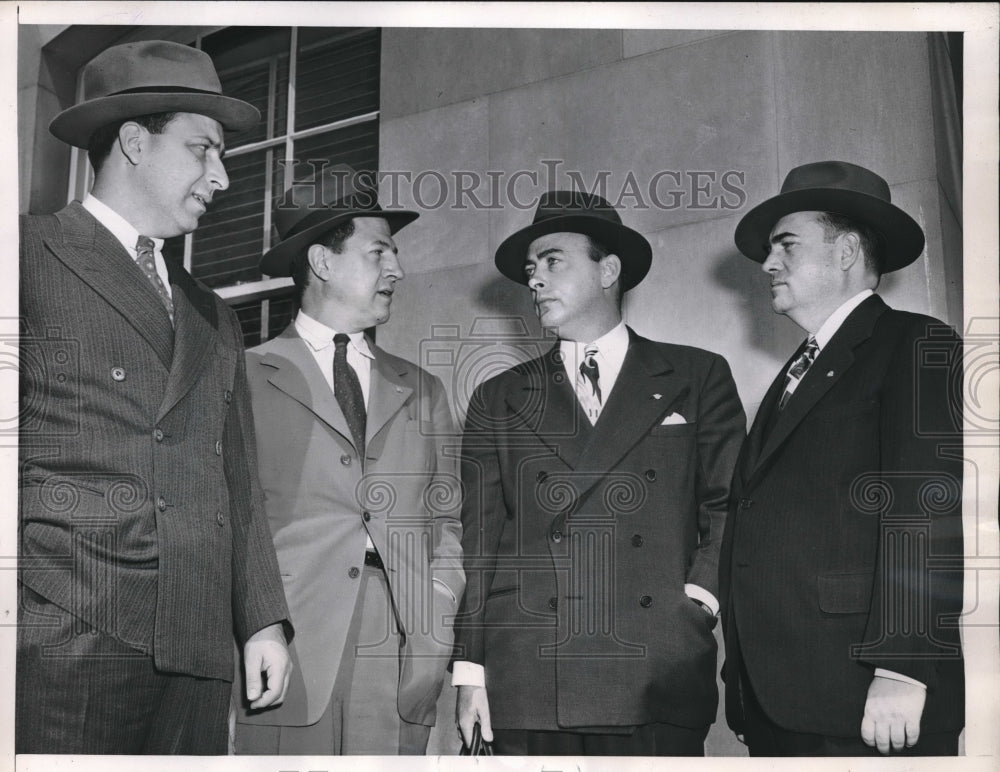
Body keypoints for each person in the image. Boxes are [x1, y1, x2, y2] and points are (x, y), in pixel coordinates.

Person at [17, 40, 293, 754]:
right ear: (135, 143)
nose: (223, 178)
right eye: (204, 149)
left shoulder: (213, 312)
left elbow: (239, 479)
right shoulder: (28, 256)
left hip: (199, 645)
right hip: (66, 633)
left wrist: (262, 619)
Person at [452, 190, 746, 755]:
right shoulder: (498, 396)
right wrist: (470, 669)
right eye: (530, 269)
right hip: (531, 670)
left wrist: (700, 600)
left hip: (656, 660)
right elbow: (480, 540)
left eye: (553, 261)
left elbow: (728, 501)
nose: (534, 279)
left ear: (608, 269)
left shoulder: (697, 374)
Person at [720, 160, 965, 756]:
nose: (767, 263)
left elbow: (925, 510)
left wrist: (903, 667)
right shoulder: (793, 375)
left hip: (865, 699)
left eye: (786, 245)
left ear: (848, 250)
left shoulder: (915, 342)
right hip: (783, 701)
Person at [233, 164, 464, 755]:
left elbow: (448, 526)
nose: (398, 269)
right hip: (285, 642)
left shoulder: (426, 389)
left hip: (401, 650)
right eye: (379, 251)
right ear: (322, 262)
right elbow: (232, 517)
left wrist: (433, 631)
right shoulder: (242, 376)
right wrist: (258, 625)